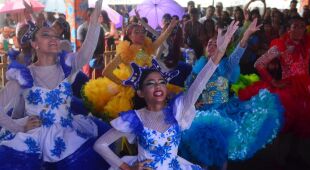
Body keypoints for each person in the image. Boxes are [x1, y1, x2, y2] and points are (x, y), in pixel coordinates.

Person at [93, 18, 239, 170]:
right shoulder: (134, 118)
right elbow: (100, 145)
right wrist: (126, 167)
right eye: (151, 83)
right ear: (141, 93)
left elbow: (199, 83)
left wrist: (220, 52)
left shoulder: (178, 110)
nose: (158, 86)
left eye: (161, 82)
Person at [0, 0, 109, 169]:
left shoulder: (67, 66)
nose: (53, 39)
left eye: (56, 36)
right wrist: (18, 127)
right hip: (34, 139)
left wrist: (94, 22)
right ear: (35, 45)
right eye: (46, 35)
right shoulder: (23, 75)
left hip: (68, 136)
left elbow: (86, 53)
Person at [180, 19, 283, 170]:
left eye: (216, 44)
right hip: (203, 113)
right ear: (204, 49)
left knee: (222, 152)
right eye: (209, 43)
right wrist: (194, 103)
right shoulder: (198, 68)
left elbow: (237, 54)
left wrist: (246, 35)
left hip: (224, 111)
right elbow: (188, 89)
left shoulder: (226, 67)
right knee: (202, 152)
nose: (212, 45)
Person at [238, 13, 310, 138]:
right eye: (295, 26)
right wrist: (273, 81)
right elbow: (259, 63)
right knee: (284, 123)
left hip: (307, 87)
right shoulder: (281, 45)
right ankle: (278, 155)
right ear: (288, 29)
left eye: (302, 26)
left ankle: (293, 153)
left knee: (302, 122)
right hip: (288, 88)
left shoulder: (308, 43)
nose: (299, 29)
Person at [82, 17, 178, 120]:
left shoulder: (146, 49)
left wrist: (170, 28)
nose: (141, 35)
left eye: (142, 32)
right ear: (129, 36)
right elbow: (107, 71)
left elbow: (161, 39)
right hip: (133, 92)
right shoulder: (125, 52)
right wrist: (122, 82)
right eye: (137, 32)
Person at [77, 8, 106, 78]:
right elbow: (83, 45)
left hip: (99, 58)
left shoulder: (101, 28)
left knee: (99, 79)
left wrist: (100, 55)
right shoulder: (82, 28)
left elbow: (102, 44)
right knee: (87, 78)